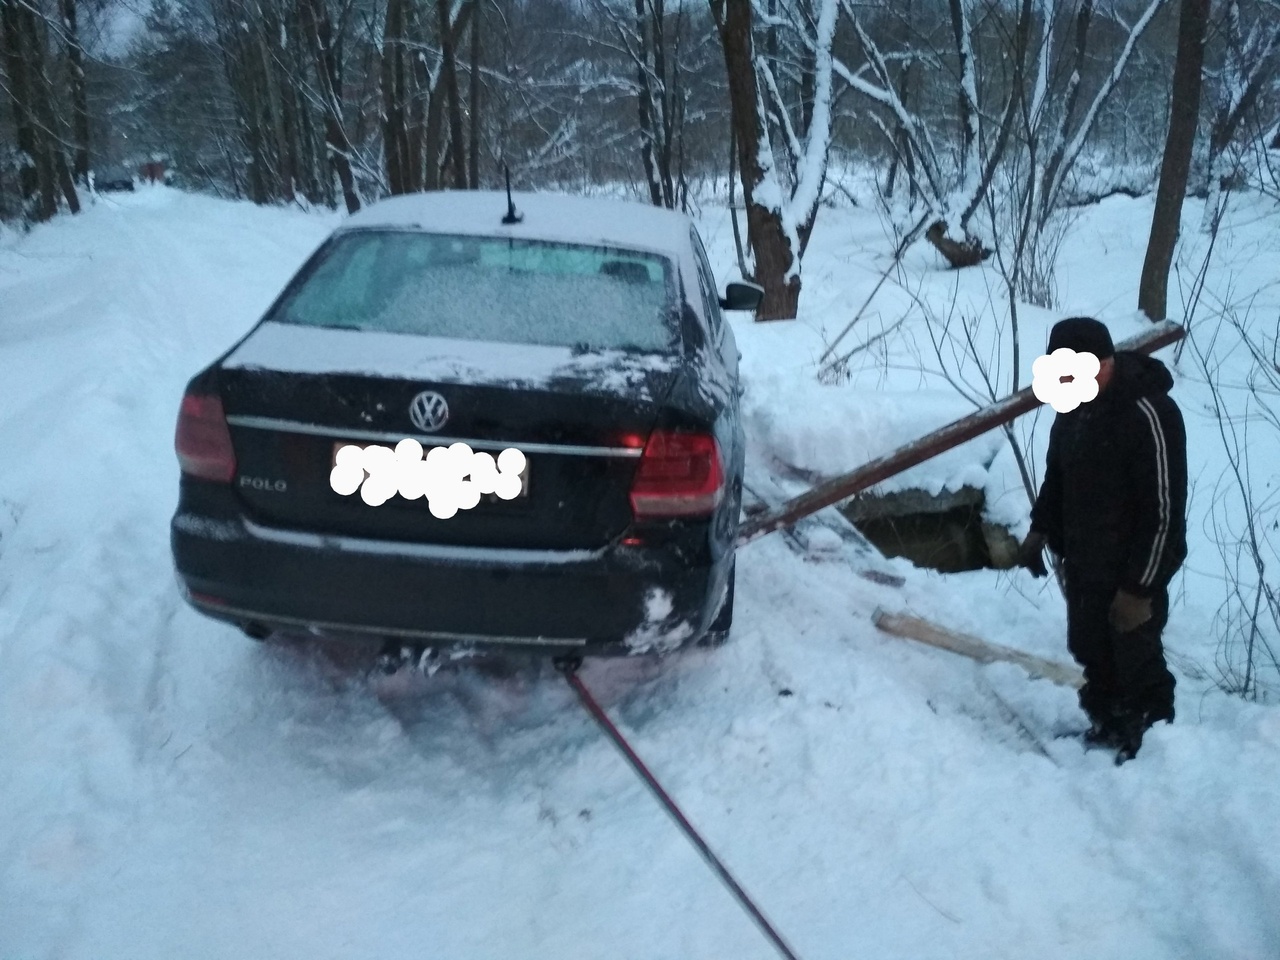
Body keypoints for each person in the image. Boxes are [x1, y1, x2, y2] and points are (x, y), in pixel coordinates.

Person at [1018, 317, 1187, 762]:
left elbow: (1165, 511)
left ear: (1105, 361)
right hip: (1085, 559)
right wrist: (1040, 528)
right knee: (1090, 647)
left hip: (1133, 566)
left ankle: (1155, 751)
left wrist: (1140, 589)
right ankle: (1109, 726)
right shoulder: (1072, 408)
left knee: (1136, 656)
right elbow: (1059, 478)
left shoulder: (1148, 413)